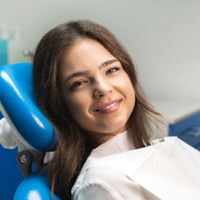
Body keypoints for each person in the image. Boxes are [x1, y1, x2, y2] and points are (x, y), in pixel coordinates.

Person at [33, 20, 200, 200]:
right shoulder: (101, 184)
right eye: (79, 83)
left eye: (111, 70)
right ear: (58, 102)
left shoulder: (169, 147)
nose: (103, 88)